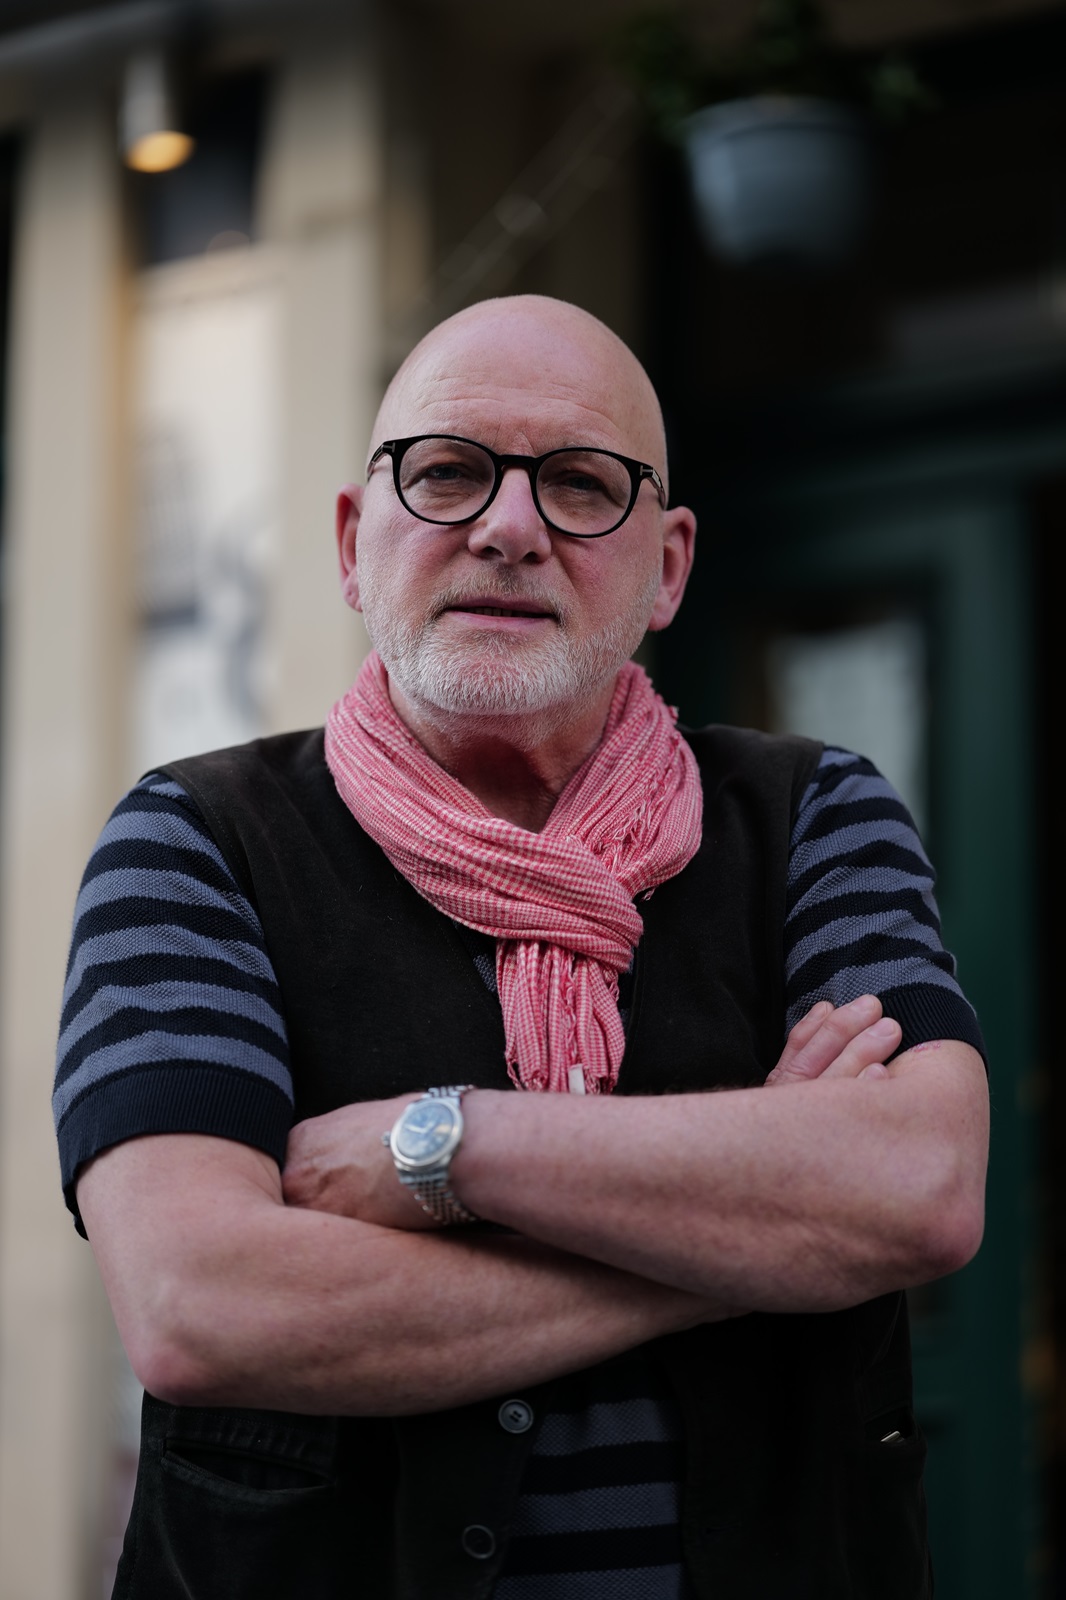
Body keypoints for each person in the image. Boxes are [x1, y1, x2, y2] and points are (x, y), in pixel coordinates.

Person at [56, 294, 988, 1600]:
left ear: (666, 567)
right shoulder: (197, 840)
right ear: (350, 540)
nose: (506, 527)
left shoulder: (810, 816)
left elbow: (920, 1187)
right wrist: (742, 1247)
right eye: (444, 473)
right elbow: (201, 1305)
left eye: (577, 483)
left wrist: (445, 1146)